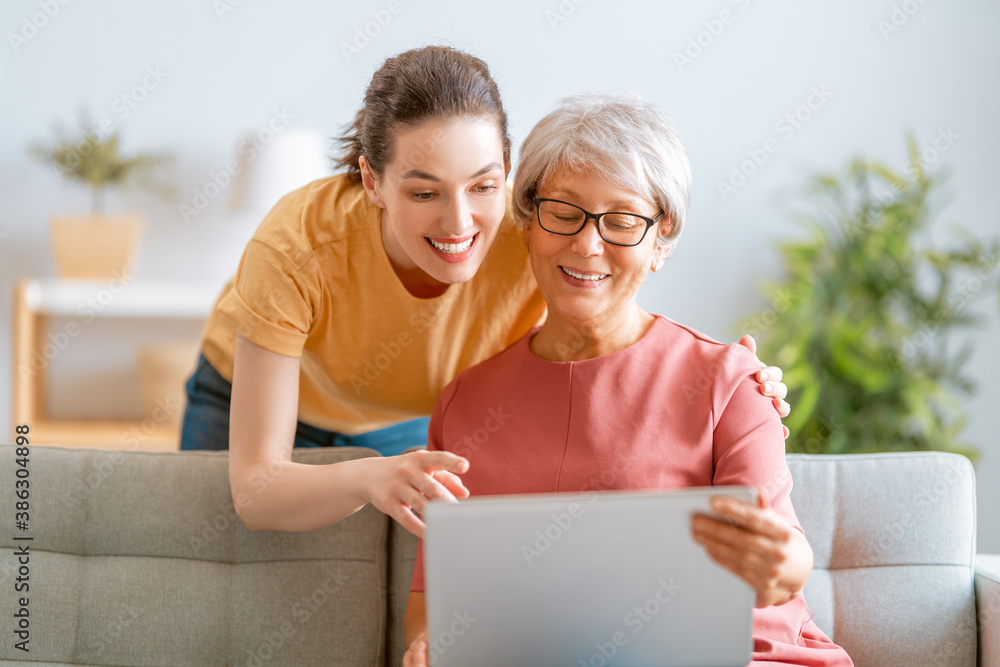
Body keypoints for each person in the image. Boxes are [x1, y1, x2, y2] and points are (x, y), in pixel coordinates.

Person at [180, 46, 790, 537]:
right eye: (424, 193)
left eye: (482, 185)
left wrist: (732, 385)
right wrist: (365, 479)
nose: (459, 224)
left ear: (506, 167)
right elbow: (258, 492)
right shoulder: (297, 248)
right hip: (251, 394)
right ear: (372, 180)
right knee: (214, 558)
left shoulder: (541, 227)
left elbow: (616, 316)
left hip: (408, 423)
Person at [403, 94, 853, 666]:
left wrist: (784, 565)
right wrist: (426, 648)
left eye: (621, 221)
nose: (587, 245)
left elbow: (781, 564)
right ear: (528, 223)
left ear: (660, 241)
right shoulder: (466, 404)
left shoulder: (730, 381)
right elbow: (431, 602)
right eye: (563, 213)